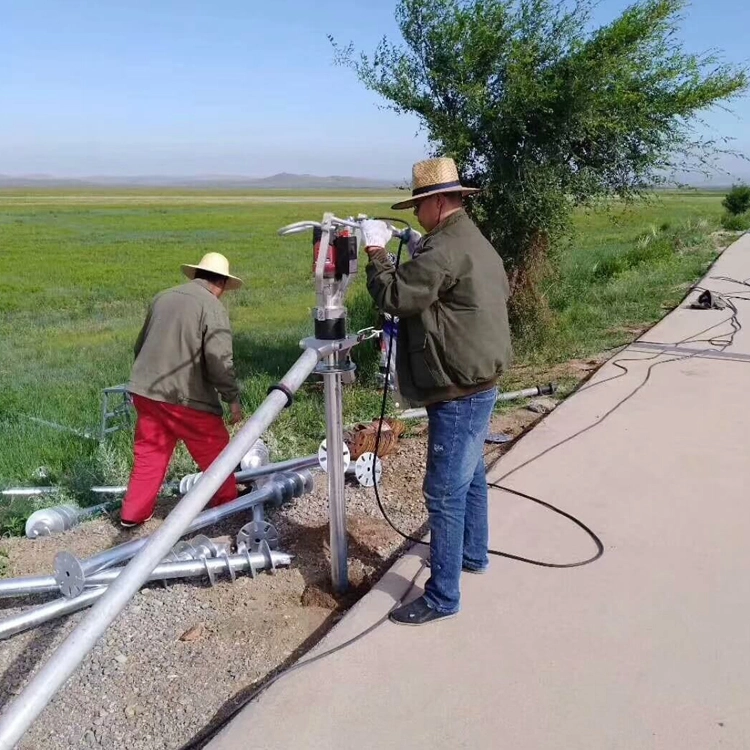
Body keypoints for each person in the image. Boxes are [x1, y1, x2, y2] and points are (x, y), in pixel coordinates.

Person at [361, 157, 513, 626]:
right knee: (471, 477)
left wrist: (376, 253)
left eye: (418, 206)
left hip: (457, 389)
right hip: (481, 380)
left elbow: (396, 298)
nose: (416, 214)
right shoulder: (469, 240)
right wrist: (413, 244)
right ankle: (472, 556)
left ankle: (443, 596)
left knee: (444, 492)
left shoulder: (444, 250)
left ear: (439, 201)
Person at [120, 252, 245, 528]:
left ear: (198, 275)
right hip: (185, 398)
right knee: (216, 450)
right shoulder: (212, 307)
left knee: (150, 453)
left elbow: (140, 345)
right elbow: (219, 360)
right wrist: (232, 399)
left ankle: (133, 514)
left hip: (145, 391)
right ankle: (228, 505)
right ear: (222, 283)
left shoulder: (162, 297)